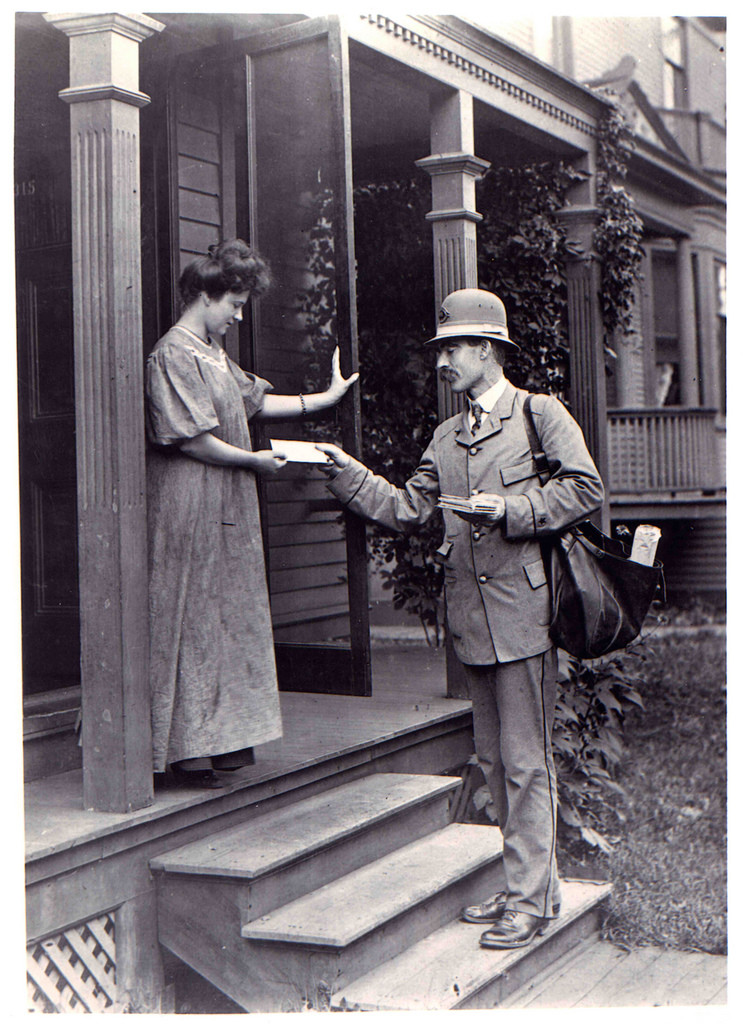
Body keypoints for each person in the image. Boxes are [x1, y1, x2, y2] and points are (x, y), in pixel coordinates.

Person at [317, 287, 604, 950]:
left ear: (487, 350)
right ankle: (529, 886)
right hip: (474, 622)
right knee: (491, 759)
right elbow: (408, 510)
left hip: (525, 616)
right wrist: (347, 474)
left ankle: (530, 900)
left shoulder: (538, 414)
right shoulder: (447, 436)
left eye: (453, 347)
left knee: (525, 762)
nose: (443, 359)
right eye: (441, 347)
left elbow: (584, 488)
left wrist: (510, 510)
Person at [146, 239, 358, 788]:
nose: (239, 316)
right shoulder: (174, 353)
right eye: (234, 305)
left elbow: (257, 403)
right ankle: (186, 751)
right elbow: (191, 440)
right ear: (204, 296)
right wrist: (254, 463)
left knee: (227, 616)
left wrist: (324, 400)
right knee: (194, 617)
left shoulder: (214, 353)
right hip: (192, 500)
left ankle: (222, 744)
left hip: (228, 497)